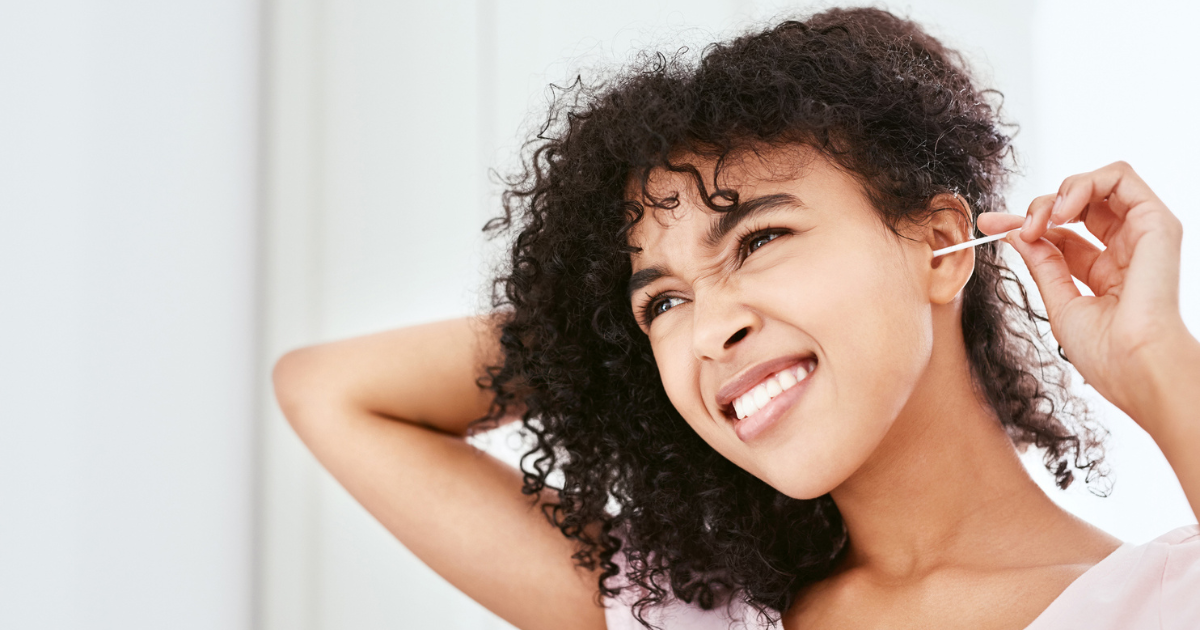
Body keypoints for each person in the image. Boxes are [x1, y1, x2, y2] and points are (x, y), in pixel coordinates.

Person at [272, 7, 1200, 630]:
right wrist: (587, 331)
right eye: (662, 301)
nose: (709, 327)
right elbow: (331, 392)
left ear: (937, 240)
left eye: (757, 242)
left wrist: (1156, 361)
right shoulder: (692, 612)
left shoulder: (1158, 601)